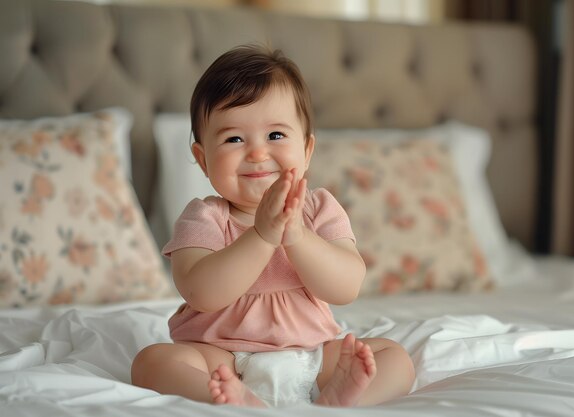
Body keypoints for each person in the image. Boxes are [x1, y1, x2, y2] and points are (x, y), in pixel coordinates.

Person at [131, 44, 415, 407]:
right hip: (223, 359)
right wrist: (263, 236)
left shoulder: (318, 208)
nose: (258, 153)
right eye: (234, 138)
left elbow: (346, 287)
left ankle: (337, 401)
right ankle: (237, 402)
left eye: (276, 135)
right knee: (152, 363)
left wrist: (296, 236)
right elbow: (201, 293)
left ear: (307, 150)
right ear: (203, 160)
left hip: (310, 354)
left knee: (395, 359)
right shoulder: (203, 217)